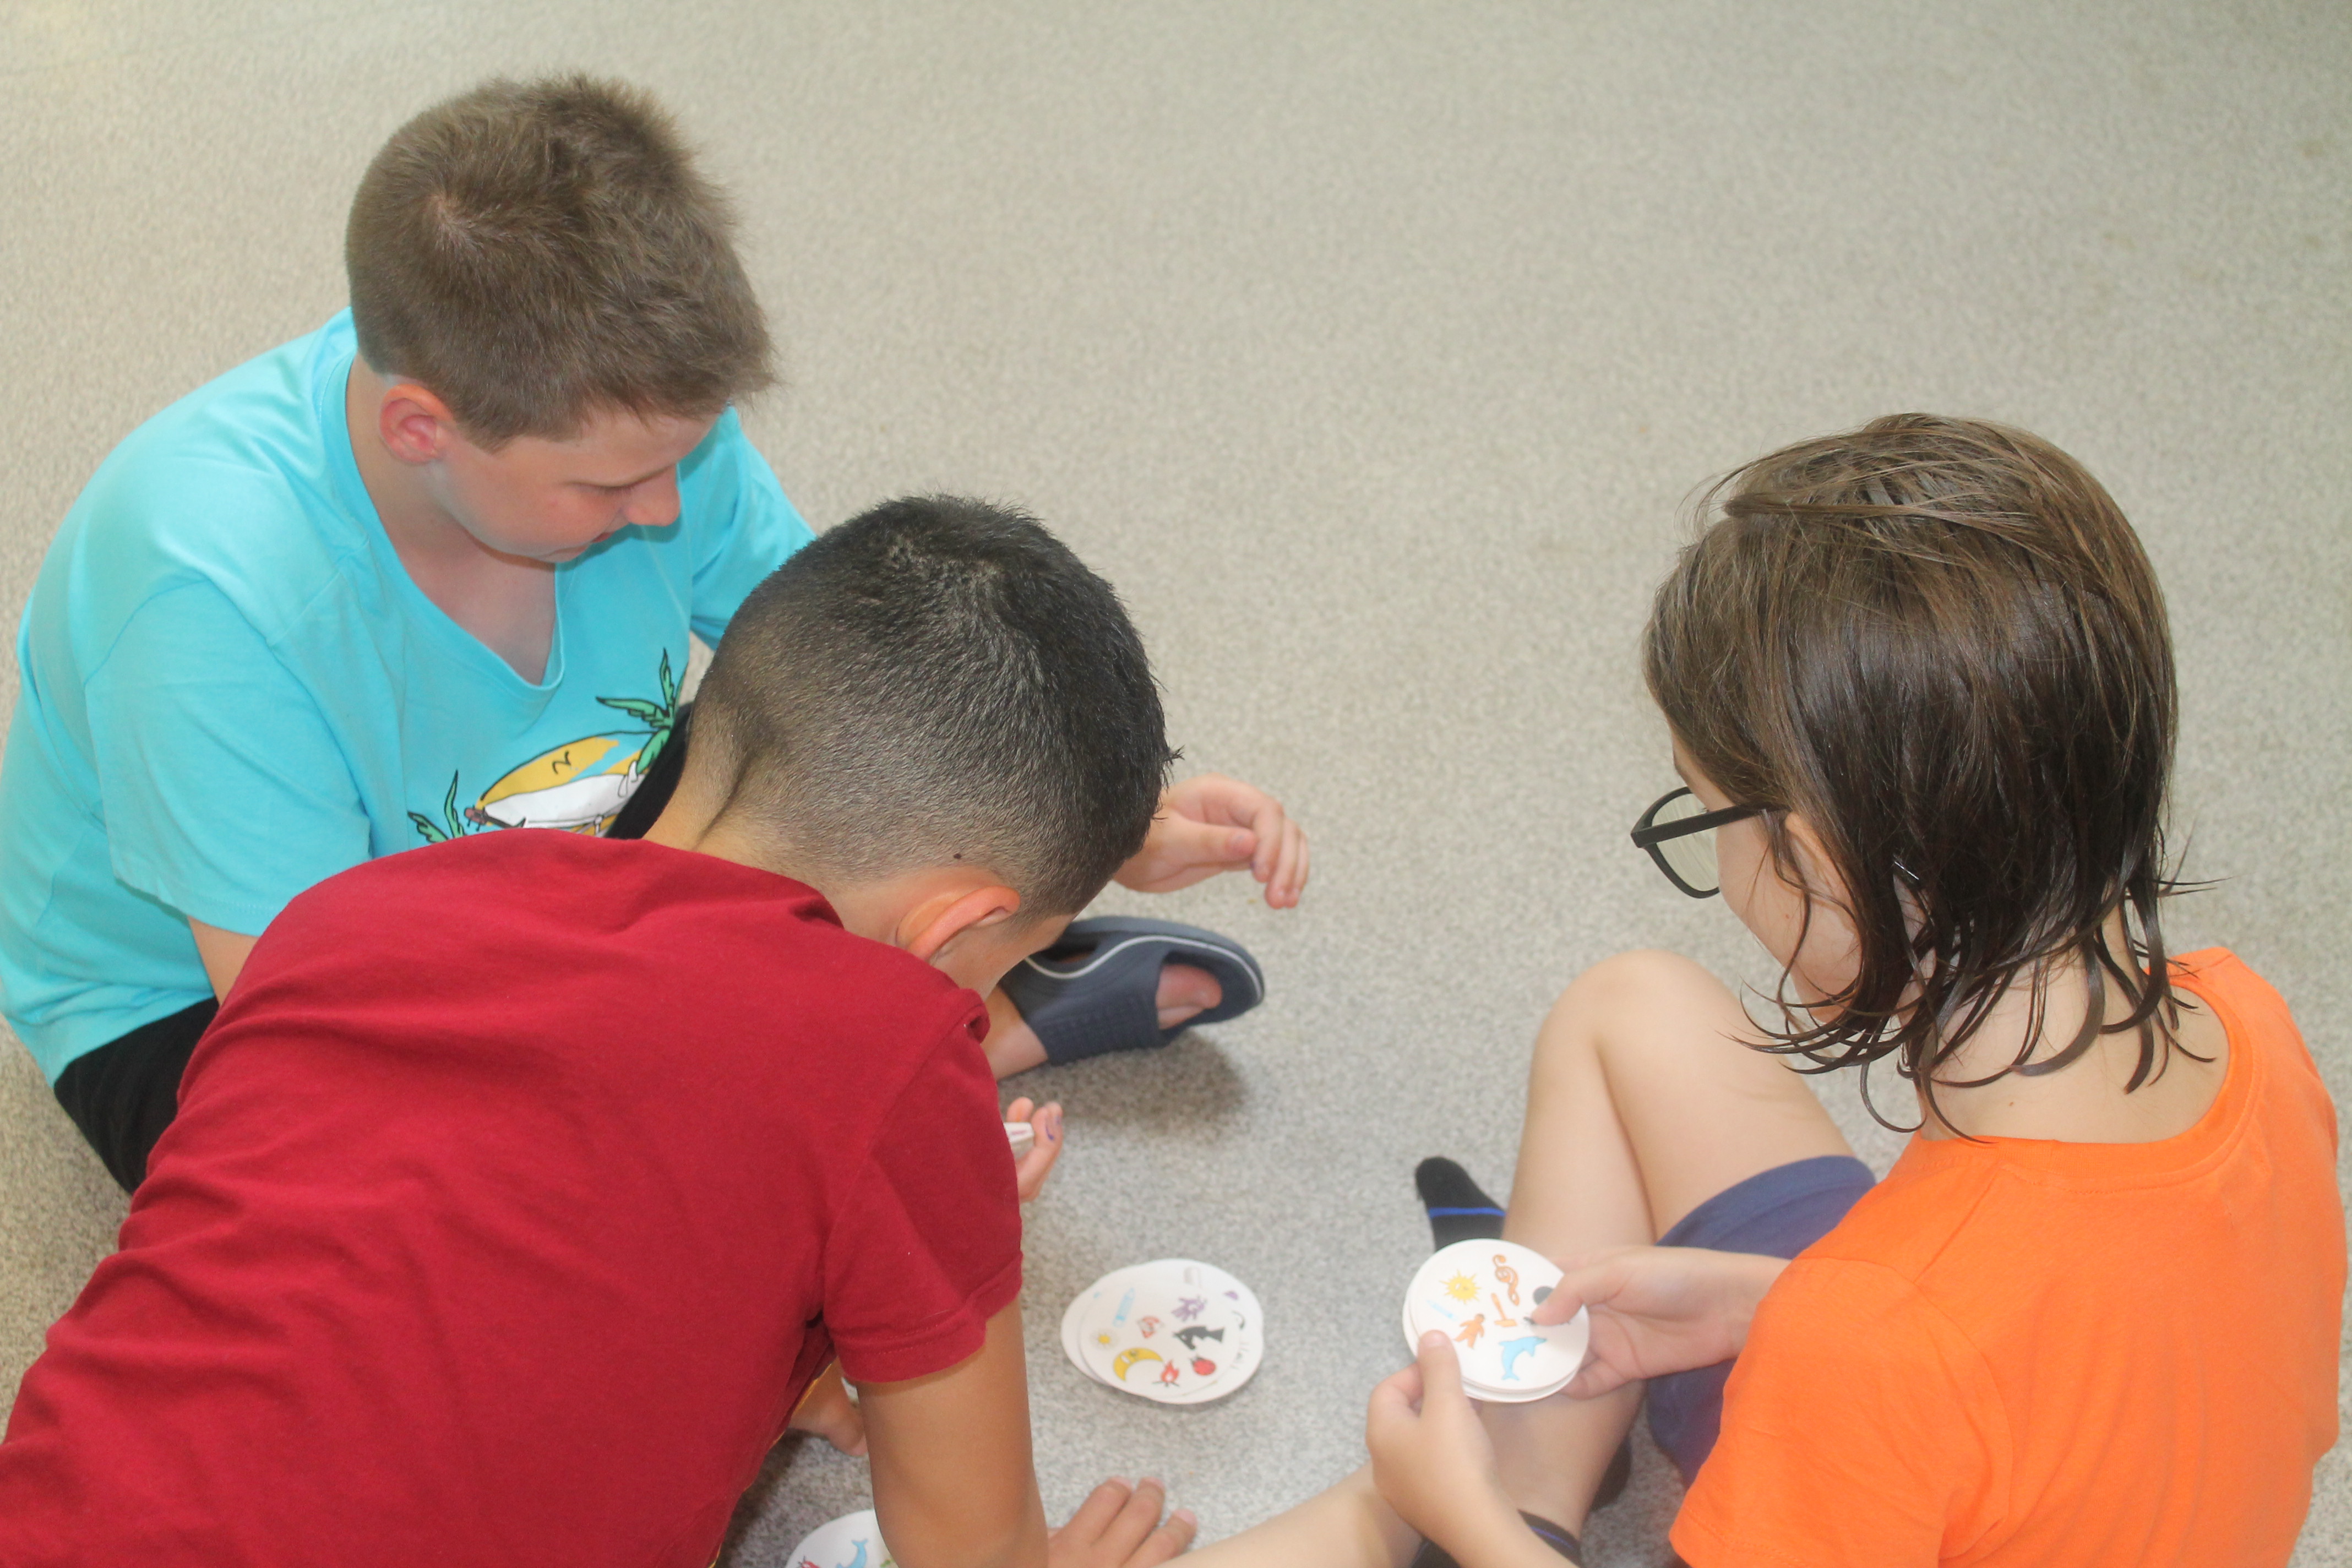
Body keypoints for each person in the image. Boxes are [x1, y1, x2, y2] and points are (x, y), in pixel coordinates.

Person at [0, 73, 1303, 1193]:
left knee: (821, 794)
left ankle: (961, 998)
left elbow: (865, 684)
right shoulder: (204, 600)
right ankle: (974, 1028)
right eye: (611, 485)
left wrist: (1084, 822)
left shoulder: (628, 424)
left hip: (535, 845)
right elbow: (329, 1037)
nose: (669, 508)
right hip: (201, 999)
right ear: (420, 428)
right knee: (483, 1228)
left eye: (684, 455)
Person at [1183, 415, 2343, 1567]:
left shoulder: (1869, 1348)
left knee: (1413, 1507)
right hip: (1963, 1405)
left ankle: (1501, 1506)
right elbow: (2082, 1347)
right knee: (1631, 1010)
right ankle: (1532, 1473)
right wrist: (1770, 1300)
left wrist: (1464, 1518)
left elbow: (1921, 1356)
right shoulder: (2246, 1019)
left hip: (1880, 1403)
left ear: (1819, 857)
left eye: (1706, 810)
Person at [0, 497, 1206, 1568]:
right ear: (956, 925)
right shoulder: (898, 1059)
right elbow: (969, 1546)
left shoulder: (352, 911)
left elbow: (460, 1254)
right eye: (1000, 969)